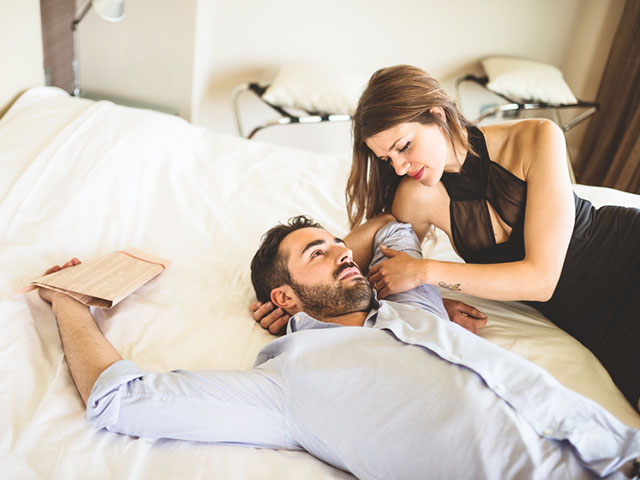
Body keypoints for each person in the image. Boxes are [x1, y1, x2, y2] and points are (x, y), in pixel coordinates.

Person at [37, 215, 640, 479]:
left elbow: (395, 226)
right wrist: (70, 302)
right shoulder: (289, 382)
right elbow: (123, 398)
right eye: (317, 253)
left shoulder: (409, 300)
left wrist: (342, 251)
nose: (343, 253)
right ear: (286, 296)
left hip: (617, 449)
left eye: (336, 243)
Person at [341, 64, 640, 412]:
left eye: (404, 146)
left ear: (437, 116)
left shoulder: (536, 138)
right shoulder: (418, 196)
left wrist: (426, 271)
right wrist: (295, 283)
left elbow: (541, 280)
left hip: (625, 254)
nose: (399, 167)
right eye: (386, 158)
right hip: (593, 320)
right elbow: (377, 248)